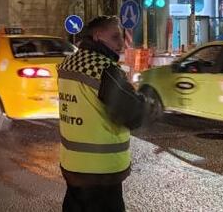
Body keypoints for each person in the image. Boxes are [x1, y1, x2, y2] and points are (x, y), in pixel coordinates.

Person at [57, 15, 155, 212]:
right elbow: (132, 114)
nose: (121, 43)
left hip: (73, 166)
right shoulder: (103, 68)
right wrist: (148, 102)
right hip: (100, 171)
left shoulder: (68, 64)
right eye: (115, 37)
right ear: (97, 36)